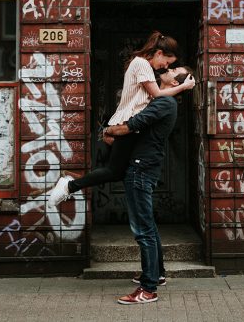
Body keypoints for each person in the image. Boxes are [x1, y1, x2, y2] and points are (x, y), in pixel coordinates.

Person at [46, 31, 195, 208]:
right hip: (127, 123)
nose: (165, 66)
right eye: (167, 62)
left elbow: (156, 99)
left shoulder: (144, 67)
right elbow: (158, 95)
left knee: (120, 170)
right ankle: (68, 186)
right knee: (114, 171)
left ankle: (70, 185)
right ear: (159, 53)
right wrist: (184, 86)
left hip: (129, 124)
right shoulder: (141, 64)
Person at [106, 66, 195, 305]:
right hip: (147, 166)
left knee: (142, 229)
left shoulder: (163, 103)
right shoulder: (164, 101)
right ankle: (158, 274)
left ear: (174, 81)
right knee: (149, 226)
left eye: (174, 69)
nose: (167, 68)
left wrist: (109, 130)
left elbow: (131, 125)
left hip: (140, 167)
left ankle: (148, 289)